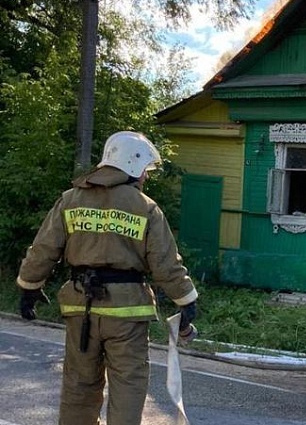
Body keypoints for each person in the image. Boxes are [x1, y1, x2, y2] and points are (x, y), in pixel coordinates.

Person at [16, 131, 198, 425]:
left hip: (80, 308)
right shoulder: (146, 207)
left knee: (79, 385)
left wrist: (29, 287)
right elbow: (165, 265)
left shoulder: (70, 200)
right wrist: (186, 300)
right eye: (144, 171)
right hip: (127, 313)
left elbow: (43, 250)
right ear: (132, 164)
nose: (145, 178)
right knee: (128, 386)